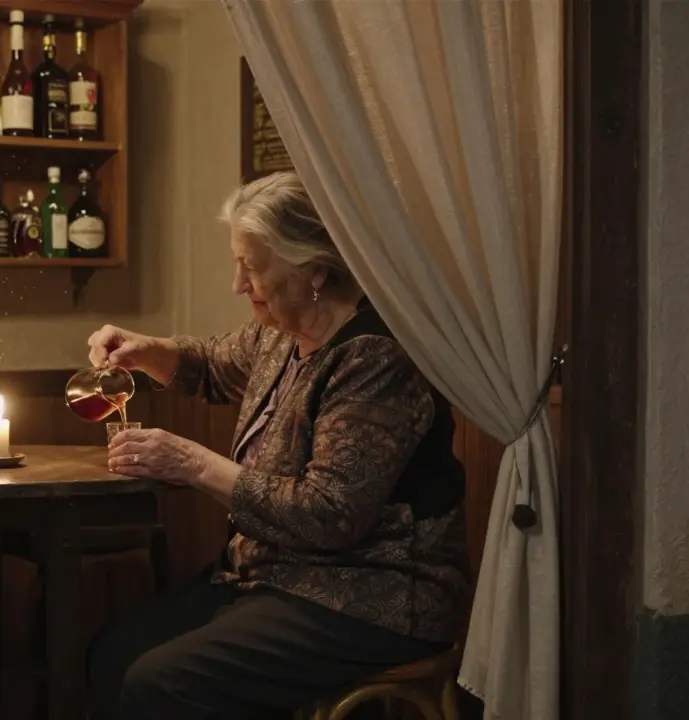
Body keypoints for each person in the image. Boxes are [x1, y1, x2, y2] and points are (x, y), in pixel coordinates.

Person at [84, 172, 469, 719]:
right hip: (275, 578)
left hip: (370, 596)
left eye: (253, 265)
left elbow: (328, 514)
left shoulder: (373, 356)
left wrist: (191, 462)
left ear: (313, 268)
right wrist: (145, 349)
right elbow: (214, 363)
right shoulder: (281, 330)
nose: (239, 284)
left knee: (161, 683)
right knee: (113, 653)